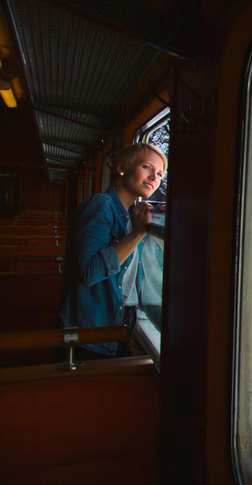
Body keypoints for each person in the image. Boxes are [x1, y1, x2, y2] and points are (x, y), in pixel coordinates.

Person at [58, 143, 167, 359]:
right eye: (147, 167)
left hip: (117, 325)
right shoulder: (100, 206)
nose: (155, 177)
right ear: (121, 167)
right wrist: (138, 233)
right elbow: (88, 272)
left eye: (160, 173)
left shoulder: (132, 214)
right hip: (89, 333)